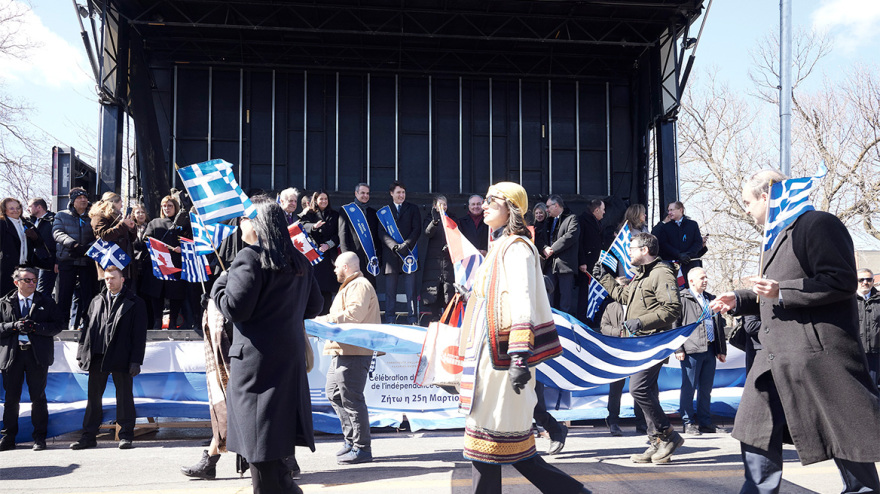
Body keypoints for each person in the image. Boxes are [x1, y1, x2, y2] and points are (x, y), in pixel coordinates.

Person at [711, 169, 880, 494]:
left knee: (845, 437)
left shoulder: (818, 224)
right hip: (773, 359)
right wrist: (741, 299)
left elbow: (841, 280)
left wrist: (782, 291)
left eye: (748, 202)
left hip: (816, 359)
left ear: (766, 196)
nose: (746, 210)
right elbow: (770, 291)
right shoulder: (773, 238)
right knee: (754, 428)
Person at [459, 182, 586, 494]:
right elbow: (496, 298)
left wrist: (518, 356)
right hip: (491, 358)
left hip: (504, 361)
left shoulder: (517, 247)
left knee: (490, 446)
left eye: (492, 201)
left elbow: (522, 300)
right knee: (504, 449)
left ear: (510, 208)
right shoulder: (501, 246)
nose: (485, 205)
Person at [211, 196, 323, 494]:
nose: (241, 224)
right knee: (274, 449)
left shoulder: (249, 257)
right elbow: (314, 306)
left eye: (245, 219)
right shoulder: (300, 260)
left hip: (255, 368)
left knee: (260, 450)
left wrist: (219, 285)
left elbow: (236, 308)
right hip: (288, 361)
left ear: (258, 225)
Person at [593, 232, 684, 464]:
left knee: (638, 389)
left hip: (651, 343)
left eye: (632, 248)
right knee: (648, 392)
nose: (629, 252)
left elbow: (673, 309)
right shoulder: (641, 276)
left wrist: (641, 322)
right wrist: (604, 278)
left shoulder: (661, 272)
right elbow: (623, 297)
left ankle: (669, 435)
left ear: (645, 250)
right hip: (639, 345)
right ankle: (656, 443)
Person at [70, 265, 148, 450]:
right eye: (107, 278)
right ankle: (88, 437)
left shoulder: (135, 302)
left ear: (122, 280)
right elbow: (87, 330)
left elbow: (139, 336)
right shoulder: (96, 300)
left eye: (113, 278)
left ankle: (126, 435)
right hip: (97, 354)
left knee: (124, 397)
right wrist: (82, 353)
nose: (109, 281)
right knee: (93, 398)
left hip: (122, 355)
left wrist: (136, 361)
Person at [315, 251, 382, 465]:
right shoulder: (352, 286)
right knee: (334, 394)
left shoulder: (360, 285)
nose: (334, 270)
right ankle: (352, 440)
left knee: (351, 398)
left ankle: (362, 448)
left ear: (346, 267)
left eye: (336, 267)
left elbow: (354, 315)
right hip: (344, 350)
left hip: (354, 350)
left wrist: (323, 320)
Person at [0, 266, 64, 451]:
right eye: (27, 280)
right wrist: (13, 326)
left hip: (36, 356)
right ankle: (8, 437)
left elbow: (58, 324)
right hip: (13, 356)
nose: (32, 284)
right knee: (11, 398)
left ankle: (39, 437)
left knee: (38, 397)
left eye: (34, 280)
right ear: (16, 282)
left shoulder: (46, 301)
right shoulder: (4, 302)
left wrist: (36, 328)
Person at [674, 267, 727, 436]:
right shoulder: (682, 298)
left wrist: (720, 349)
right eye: (702, 278)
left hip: (710, 349)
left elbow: (717, 324)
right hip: (691, 349)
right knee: (689, 388)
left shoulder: (710, 299)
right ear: (691, 281)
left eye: (706, 277)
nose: (705, 280)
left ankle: (705, 422)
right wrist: (678, 348)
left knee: (706, 388)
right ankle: (688, 422)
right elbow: (675, 324)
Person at [600, 299, 647, 437]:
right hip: (617, 353)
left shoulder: (640, 304)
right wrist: (619, 332)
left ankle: (641, 422)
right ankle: (613, 421)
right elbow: (604, 326)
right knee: (615, 389)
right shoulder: (611, 307)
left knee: (638, 387)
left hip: (636, 351)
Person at [52, 188, 97, 330]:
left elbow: (99, 235)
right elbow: (57, 233)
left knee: (88, 295)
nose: (83, 200)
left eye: (85, 197)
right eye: (79, 198)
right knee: (63, 294)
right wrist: (74, 244)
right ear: (72, 200)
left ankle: (87, 324)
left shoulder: (93, 216)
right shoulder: (61, 215)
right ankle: (62, 325)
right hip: (67, 259)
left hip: (87, 260)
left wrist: (87, 248)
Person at [142, 196, 187, 329]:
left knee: (175, 295)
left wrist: (182, 249)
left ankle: (173, 321)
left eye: (170, 206)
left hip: (176, 265)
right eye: (164, 206)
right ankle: (157, 321)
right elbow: (146, 240)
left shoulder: (182, 224)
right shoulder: (155, 223)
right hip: (159, 265)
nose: (166, 208)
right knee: (157, 294)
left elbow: (190, 241)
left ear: (175, 207)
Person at [379, 181, 421, 324]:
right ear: (392, 193)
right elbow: (381, 233)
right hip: (391, 256)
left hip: (409, 254)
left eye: (403, 192)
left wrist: (406, 245)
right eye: (398, 192)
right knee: (390, 292)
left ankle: (413, 319)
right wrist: (394, 246)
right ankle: (390, 319)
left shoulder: (413, 208)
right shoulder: (384, 212)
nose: (401, 195)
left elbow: (417, 229)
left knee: (411, 291)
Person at [301, 190, 340, 315]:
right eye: (321, 199)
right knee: (313, 288)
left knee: (327, 291)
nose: (324, 201)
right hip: (313, 256)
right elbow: (302, 225)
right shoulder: (310, 214)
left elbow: (338, 234)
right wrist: (313, 227)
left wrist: (328, 245)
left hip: (328, 257)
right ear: (315, 200)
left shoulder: (334, 215)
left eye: (326, 199)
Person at [338, 183, 381, 287]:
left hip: (370, 258)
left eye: (367, 193)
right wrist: (346, 257)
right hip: (354, 257)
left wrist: (378, 255)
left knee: (370, 288)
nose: (365, 196)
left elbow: (376, 236)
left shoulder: (373, 213)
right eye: (362, 193)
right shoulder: (346, 211)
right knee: (354, 287)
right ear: (356, 193)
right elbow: (342, 235)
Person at [420, 195, 456, 322]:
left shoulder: (451, 218)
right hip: (433, 261)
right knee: (433, 289)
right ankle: (435, 316)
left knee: (447, 289)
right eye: (440, 204)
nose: (443, 207)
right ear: (434, 206)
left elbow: (456, 234)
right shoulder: (430, 218)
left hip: (447, 260)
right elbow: (427, 232)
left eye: (445, 204)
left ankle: (447, 318)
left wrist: (449, 245)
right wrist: (434, 222)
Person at [542, 195, 579, 316]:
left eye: (548, 207)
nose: (546, 210)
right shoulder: (549, 221)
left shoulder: (572, 218)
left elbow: (570, 236)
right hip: (550, 265)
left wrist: (552, 249)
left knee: (565, 299)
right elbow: (542, 238)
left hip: (565, 265)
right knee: (548, 294)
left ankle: (566, 326)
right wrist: (544, 248)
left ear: (556, 205)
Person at [651, 201, 704, 285]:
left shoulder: (692, 224)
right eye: (668, 210)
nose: (669, 213)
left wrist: (688, 254)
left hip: (691, 263)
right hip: (674, 265)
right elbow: (664, 244)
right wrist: (678, 254)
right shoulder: (665, 227)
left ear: (680, 210)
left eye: (672, 210)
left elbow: (698, 242)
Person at [89, 192, 136, 281]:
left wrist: (131, 228)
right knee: (109, 288)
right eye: (121, 203)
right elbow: (104, 235)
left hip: (122, 257)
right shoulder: (99, 216)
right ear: (113, 203)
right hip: (109, 259)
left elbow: (131, 238)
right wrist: (123, 225)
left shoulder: (118, 216)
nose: (122, 206)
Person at [1, 198, 39, 296]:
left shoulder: (27, 223)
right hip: (7, 266)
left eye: (18, 208)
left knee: (24, 296)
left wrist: (35, 237)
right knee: (6, 296)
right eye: (12, 208)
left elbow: (39, 244)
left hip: (26, 266)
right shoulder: (2, 224)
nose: (16, 211)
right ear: (4, 210)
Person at [576, 199, 605, 321]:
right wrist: (582, 261)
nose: (604, 213)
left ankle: (592, 318)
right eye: (603, 210)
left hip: (595, 262)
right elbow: (579, 242)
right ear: (596, 210)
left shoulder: (598, 222)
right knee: (584, 292)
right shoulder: (582, 220)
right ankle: (582, 319)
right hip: (586, 263)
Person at [26, 198, 57, 297]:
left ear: (39, 207)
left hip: (48, 262)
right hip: (34, 261)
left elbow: (58, 242)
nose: (27, 209)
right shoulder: (30, 222)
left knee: (43, 292)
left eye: (30, 206)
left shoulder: (53, 220)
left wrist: (57, 261)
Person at [856, 268, 879, 386]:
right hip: (854, 352)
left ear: (873, 281)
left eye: (868, 279)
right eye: (861, 279)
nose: (865, 282)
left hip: (875, 354)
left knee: (873, 388)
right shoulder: (848, 301)